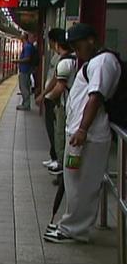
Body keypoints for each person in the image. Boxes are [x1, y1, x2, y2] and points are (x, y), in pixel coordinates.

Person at [43, 23, 121, 243]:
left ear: (91, 40)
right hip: (82, 135)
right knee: (75, 182)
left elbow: (95, 97)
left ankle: (74, 229)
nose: (77, 52)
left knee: (83, 185)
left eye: (78, 46)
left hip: (90, 136)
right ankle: (70, 225)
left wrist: (83, 129)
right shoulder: (96, 61)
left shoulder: (103, 62)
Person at [35, 28, 77, 229]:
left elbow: (58, 85)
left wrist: (46, 98)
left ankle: (62, 176)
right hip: (66, 109)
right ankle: (62, 172)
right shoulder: (70, 60)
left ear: (55, 42)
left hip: (64, 109)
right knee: (60, 140)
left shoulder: (66, 62)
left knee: (60, 139)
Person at [35, 29, 64, 170]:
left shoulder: (63, 59)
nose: (50, 44)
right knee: (51, 129)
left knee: (56, 131)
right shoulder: (57, 57)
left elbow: (56, 81)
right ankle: (54, 156)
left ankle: (57, 160)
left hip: (54, 99)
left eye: (50, 41)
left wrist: (46, 95)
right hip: (50, 97)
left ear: (55, 41)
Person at [11, 32, 35, 110]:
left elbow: (27, 59)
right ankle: (25, 103)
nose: (20, 35)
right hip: (25, 70)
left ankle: (26, 105)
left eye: (21, 34)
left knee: (23, 87)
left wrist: (16, 61)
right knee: (25, 87)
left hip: (25, 70)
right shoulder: (27, 46)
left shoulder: (27, 47)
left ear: (24, 37)